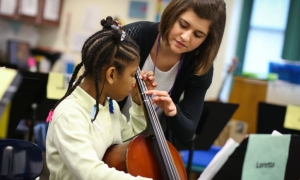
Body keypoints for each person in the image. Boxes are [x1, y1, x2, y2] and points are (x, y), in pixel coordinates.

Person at [45, 16, 156, 180]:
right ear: (111, 74)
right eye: (133, 75)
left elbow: (130, 140)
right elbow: (90, 172)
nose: (135, 82)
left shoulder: (109, 105)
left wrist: (138, 103)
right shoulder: (70, 114)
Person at [120, 0, 227, 148]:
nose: (186, 37)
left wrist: (173, 111)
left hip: (148, 149)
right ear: (172, 14)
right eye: (183, 25)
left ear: (207, 40)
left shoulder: (200, 66)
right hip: (107, 133)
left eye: (198, 35)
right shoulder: (134, 34)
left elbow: (187, 133)